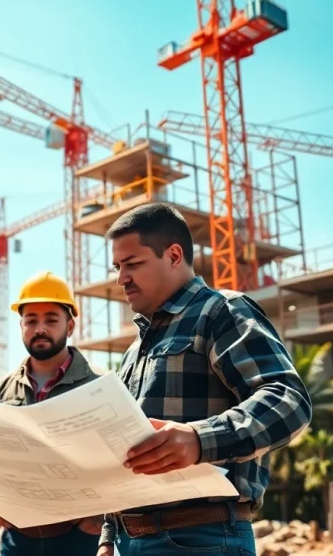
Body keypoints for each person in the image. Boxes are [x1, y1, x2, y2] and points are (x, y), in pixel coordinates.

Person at [97, 203, 313, 556]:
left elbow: (289, 400)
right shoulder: (135, 350)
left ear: (174, 255)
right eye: (118, 267)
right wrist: (109, 534)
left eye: (133, 264)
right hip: (128, 541)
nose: (122, 278)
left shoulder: (220, 312)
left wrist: (199, 439)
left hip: (202, 539)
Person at [0, 271, 107, 556]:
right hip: (17, 539)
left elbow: (119, 456)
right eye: (31, 320)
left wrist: (105, 517)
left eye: (51, 320)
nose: (39, 328)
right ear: (21, 326)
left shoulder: (101, 386)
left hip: (80, 539)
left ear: (70, 326)